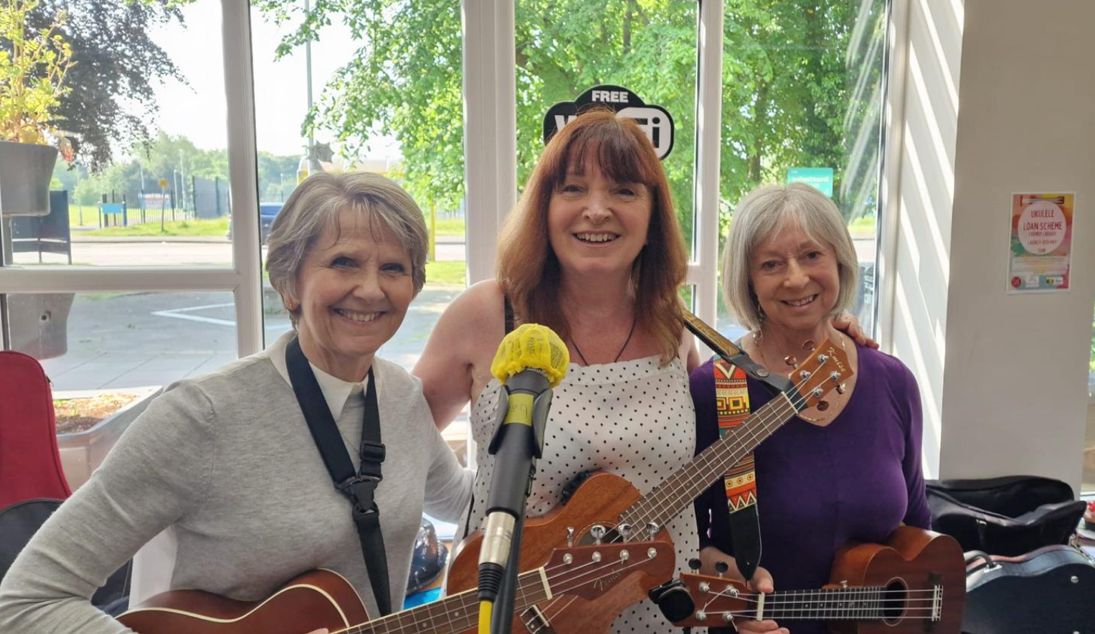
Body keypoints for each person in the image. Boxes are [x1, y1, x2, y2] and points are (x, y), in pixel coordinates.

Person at [0, 172, 473, 633]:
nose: (371, 289)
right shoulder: (199, 416)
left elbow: (459, 500)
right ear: (289, 282)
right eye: (344, 262)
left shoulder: (404, 400)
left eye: (393, 268)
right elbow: (25, 601)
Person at [414, 109, 699, 632]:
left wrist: (830, 331)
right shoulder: (488, 314)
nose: (596, 210)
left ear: (653, 215)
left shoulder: (675, 325)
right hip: (522, 615)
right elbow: (400, 444)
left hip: (659, 615)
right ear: (543, 207)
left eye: (624, 191)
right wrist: (469, 497)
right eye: (572, 188)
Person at [691, 183, 930, 634]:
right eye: (771, 264)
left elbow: (917, 526)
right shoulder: (715, 392)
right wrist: (736, 599)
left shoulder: (892, 381)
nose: (796, 278)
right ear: (748, 282)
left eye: (812, 256)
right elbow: (687, 541)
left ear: (839, 261)